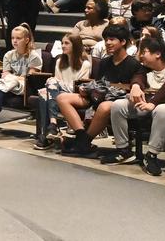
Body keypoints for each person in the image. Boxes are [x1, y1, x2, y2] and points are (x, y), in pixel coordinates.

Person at [105, 35, 165, 169]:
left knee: (161, 110)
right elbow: (137, 77)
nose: (141, 56)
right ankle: (123, 150)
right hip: (146, 104)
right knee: (118, 105)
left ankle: (152, 154)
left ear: (157, 54)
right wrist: (136, 86)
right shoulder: (144, 68)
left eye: (144, 52)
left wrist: (152, 103)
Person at [57, 23, 146, 157]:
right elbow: (99, 83)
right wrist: (87, 89)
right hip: (99, 95)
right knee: (62, 97)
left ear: (122, 42)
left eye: (112, 39)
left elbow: (134, 84)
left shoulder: (133, 64)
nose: (107, 43)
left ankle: (83, 142)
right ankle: (82, 137)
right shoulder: (104, 62)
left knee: (104, 107)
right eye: (106, 40)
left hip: (118, 99)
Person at [34, 32, 91, 150]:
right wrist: (55, 83)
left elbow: (77, 87)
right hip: (58, 92)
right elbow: (56, 84)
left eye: (66, 43)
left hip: (75, 95)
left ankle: (47, 134)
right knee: (44, 93)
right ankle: (51, 128)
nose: (63, 46)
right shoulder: (60, 61)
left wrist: (56, 83)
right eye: (62, 43)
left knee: (50, 84)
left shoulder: (85, 64)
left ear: (75, 45)